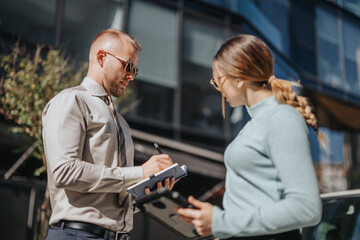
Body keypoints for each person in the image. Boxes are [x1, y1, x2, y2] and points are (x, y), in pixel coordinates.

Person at [176, 34, 326, 240]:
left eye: (217, 81)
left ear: (238, 79)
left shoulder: (281, 118)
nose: (218, 89)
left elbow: (307, 208)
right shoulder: (256, 123)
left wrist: (221, 222)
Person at [42, 29, 175, 240]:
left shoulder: (121, 122)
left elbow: (115, 197)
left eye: (135, 70)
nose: (131, 75)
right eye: (128, 65)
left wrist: (148, 190)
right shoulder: (71, 100)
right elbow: (64, 171)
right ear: (102, 57)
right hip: (78, 234)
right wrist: (140, 172)